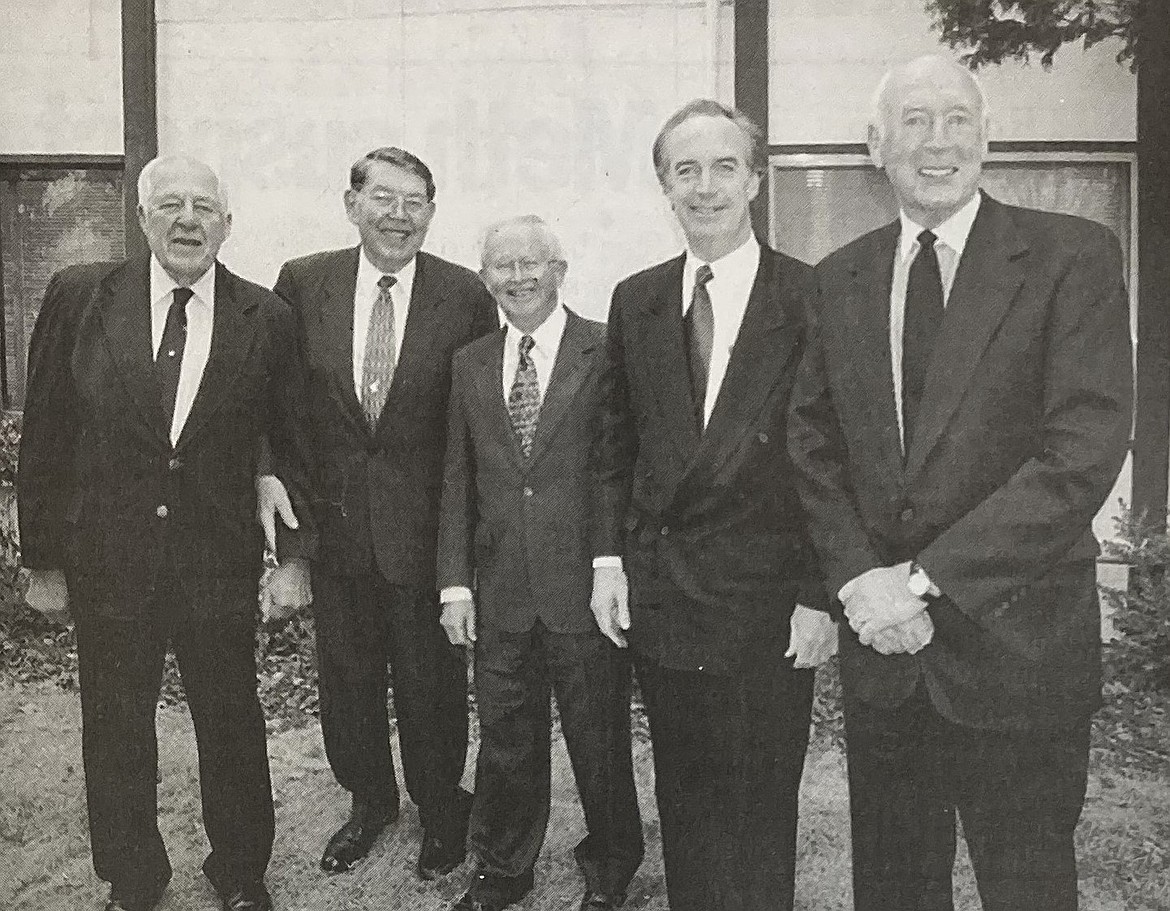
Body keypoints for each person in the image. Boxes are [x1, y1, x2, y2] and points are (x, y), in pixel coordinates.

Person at [789, 55, 1134, 911]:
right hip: (888, 661)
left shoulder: (1070, 257)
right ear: (876, 145)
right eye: (912, 120)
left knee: (1028, 886)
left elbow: (1080, 452)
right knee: (897, 888)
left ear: (989, 138)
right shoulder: (839, 278)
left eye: (956, 119)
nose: (935, 141)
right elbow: (811, 443)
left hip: (1019, 653)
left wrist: (915, 581)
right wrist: (856, 579)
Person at [17, 155, 315, 911]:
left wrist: (293, 556)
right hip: (109, 560)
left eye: (205, 206)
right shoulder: (80, 297)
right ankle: (133, 877)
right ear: (143, 217)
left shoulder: (266, 317)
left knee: (232, 723)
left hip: (215, 560)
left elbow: (293, 439)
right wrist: (43, 558)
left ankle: (243, 871)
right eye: (172, 204)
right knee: (115, 729)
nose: (190, 219)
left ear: (226, 223)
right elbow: (47, 430)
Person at [590, 99, 837, 911]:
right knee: (686, 799)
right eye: (684, 170)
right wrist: (607, 562)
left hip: (767, 602)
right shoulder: (637, 299)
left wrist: (817, 594)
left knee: (760, 805)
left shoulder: (811, 296)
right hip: (665, 598)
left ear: (756, 179)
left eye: (724, 167)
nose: (705, 187)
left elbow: (833, 459)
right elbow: (613, 445)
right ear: (665, 186)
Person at [258, 146, 498, 877]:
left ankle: (439, 804)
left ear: (432, 210)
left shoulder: (463, 294)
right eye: (384, 198)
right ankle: (369, 801)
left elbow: (475, 419)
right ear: (351, 202)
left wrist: (471, 552)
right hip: (336, 532)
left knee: (431, 684)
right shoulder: (304, 283)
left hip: (427, 536)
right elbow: (277, 407)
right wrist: (288, 527)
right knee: (348, 681)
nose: (399, 215)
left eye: (415, 201)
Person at [437, 216, 644, 911]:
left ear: (560, 267)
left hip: (583, 589)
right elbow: (456, 481)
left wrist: (611, 567)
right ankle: (503, 865)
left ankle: (611, 866)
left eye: (532, 263)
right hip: (500, 592)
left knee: (599, 738)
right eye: (502, 265)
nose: (518, 277)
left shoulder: (604, 351)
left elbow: (620, 469)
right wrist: (454, 583)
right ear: (485, 277)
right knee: (504, 737)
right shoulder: (469, 362)